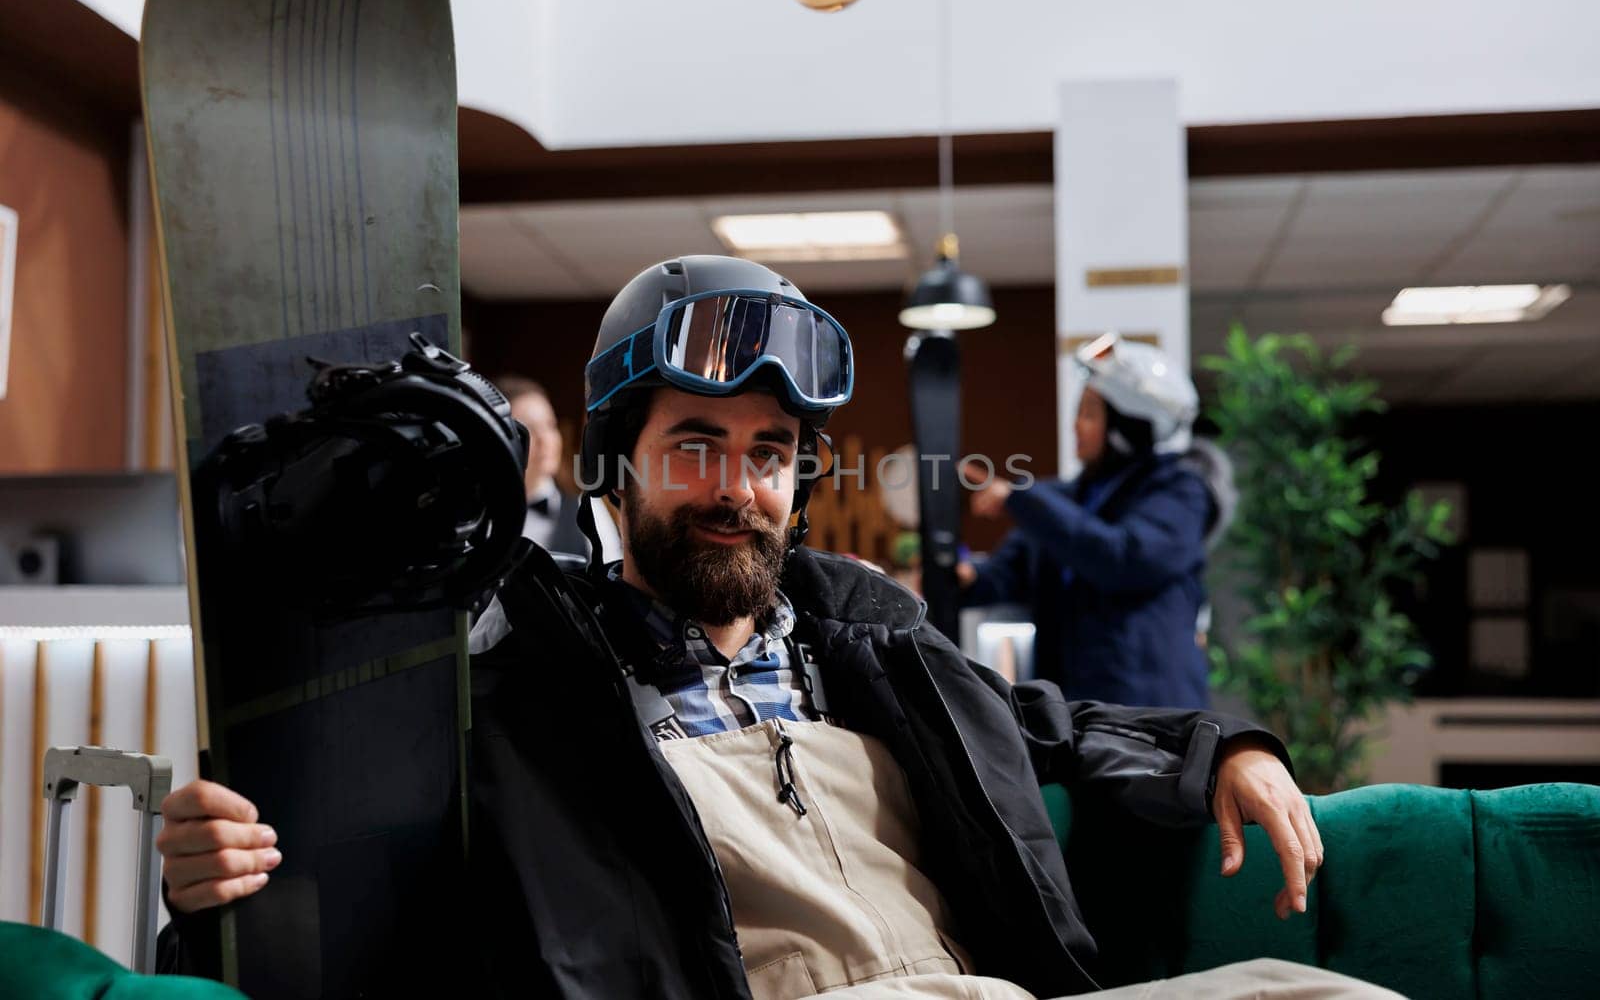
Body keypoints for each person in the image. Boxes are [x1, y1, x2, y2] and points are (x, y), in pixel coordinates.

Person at [155, 258, 1394, 999]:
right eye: (692, 444)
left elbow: (1055, 728)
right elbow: (350, 896)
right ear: (611, 468)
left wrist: (1226, 744)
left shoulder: (871, 646)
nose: (734, 488)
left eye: (769, 455)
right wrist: (221, 886)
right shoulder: (517, 690)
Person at [960, 334, 1233, 709]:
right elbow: (1005, 575)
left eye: (1089, 413)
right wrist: (964, 576)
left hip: (1152, 715)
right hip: (1069, 714)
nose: (1075, 425)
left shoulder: (1180, 491)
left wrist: (1022, 499)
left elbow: (1122, 558)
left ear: (1127, 426)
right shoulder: (1064, 500)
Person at [495, 374, 602, 559]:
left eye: (550, 425)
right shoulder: (479, 516)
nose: (545, 440)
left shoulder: (588, 509)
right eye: (528, 428)